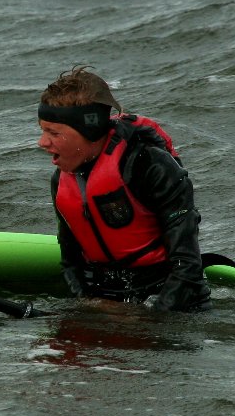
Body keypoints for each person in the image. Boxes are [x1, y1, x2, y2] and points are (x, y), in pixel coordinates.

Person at [37, 66, 212, 312]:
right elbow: (71, 263)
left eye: (53, 133)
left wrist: (148, 320)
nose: (42, 142)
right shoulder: (62, 180)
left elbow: (187, 268)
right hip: (105, 299)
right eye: (42, 130)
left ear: (90, 130)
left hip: (170, 303)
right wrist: (91, 306)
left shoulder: (150, 166)